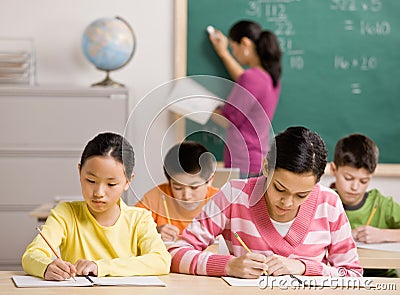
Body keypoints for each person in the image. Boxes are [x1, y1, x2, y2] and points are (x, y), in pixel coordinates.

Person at [168, 126, 362, 278]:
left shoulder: (329, 203)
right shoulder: (234, 195)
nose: (287, 202)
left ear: (317, 181)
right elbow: (175, 253)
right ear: (266, 167)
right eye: (279, 188)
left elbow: (353, 274)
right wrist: (228, 265)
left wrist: (303, 267)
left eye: (301, 195)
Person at [22, 132, 171, 280]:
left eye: (111, 184)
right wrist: (46, 266)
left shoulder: (139, 219)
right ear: (80, 172)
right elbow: (31, 256)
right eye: (91, 181)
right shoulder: (66, 214)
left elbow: (161, 261)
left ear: (128, 182)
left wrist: (101, 267)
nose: (99, 193)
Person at [209, 20, 282, 178]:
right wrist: (223, 53)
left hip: (242, 162)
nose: (234, 53)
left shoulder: (252, 78)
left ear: (245, 43)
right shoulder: (269, 78)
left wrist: (200, 106)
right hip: (258, 159)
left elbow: (228, 120)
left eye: (233, 48)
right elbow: (245, 80)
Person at [330, 133, 400, 277]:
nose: (355, 187)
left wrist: (384, 235)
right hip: (338, 277)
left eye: (363, 181)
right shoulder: (324, 201)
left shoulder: (382, 205)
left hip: (382, 278)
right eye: (348, 178)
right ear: (333, 169)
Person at [136, 141, 218, 242]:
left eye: (194, 187)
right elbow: (127, 230)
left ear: (210, 180)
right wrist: (153, 233)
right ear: (169, 182)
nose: (186, 196)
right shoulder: (155, 198)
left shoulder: (221, 201)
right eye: (178, 188)